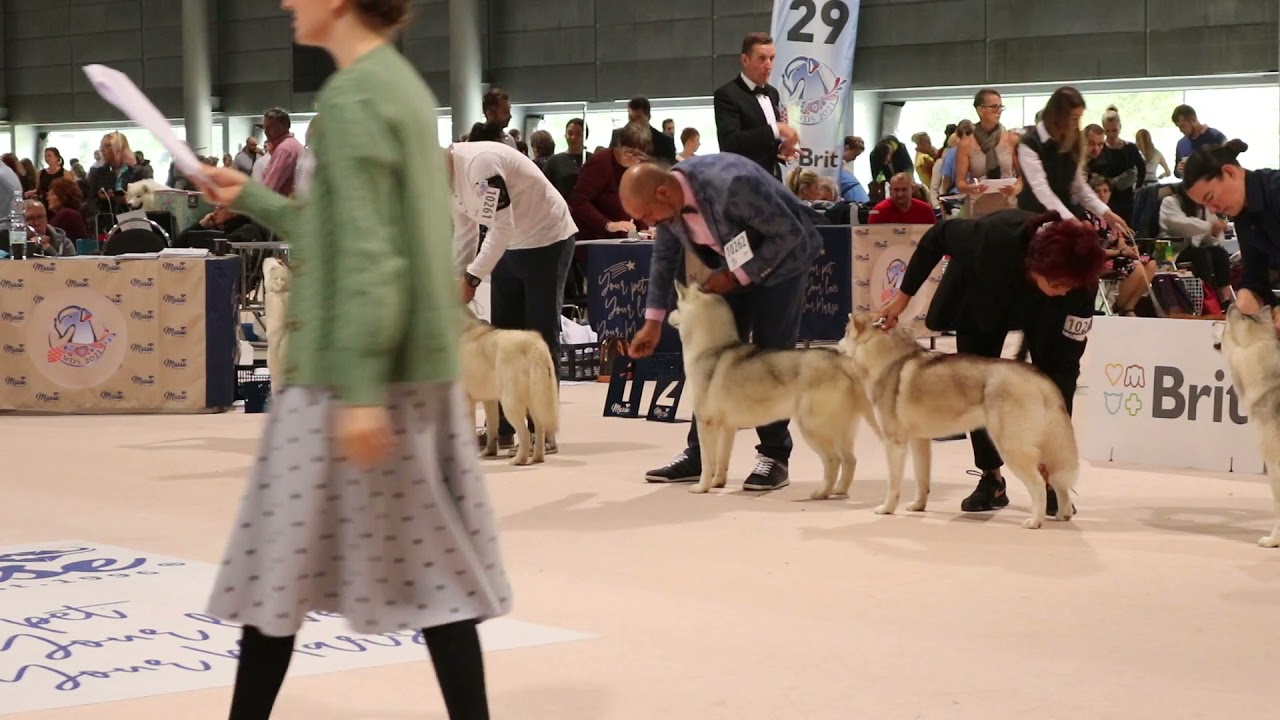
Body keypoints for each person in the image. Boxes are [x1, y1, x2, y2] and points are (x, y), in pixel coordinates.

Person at [192, 2, 510, 718]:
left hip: (350, 372)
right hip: (401, 367)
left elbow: (370, 257)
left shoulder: (353, 96)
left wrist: (362, 391)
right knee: (431, 574)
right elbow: (346, 228)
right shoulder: (393, 85)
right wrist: (250, 197)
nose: (285, 3)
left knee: (280, 572)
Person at [879, 209, 1108, 515]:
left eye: (1071, 286)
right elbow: (936, 236)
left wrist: (1049, 449)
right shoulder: (991, 239)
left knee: (1055, 379)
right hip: (982, 296)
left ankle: (1051, 481)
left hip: (1044, 313)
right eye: (1058, 284)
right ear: (1037, 266)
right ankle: (991, 478)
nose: (1064, 290)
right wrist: (903, 297)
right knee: (975, 385)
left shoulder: (1078, 286)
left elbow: (1065, 369)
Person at [620, 155, 822, 491]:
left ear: (663, 193)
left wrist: (737, 275)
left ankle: (774, 454)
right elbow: (664, 260)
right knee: (713, 358)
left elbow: (789, 234)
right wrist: (653, 321)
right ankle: (702, 453)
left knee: (771, 355)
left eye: (646, 215)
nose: (646, 223)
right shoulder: (667, 210)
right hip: (735, 265)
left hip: (785, 261)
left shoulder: (732, 185)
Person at [449, 139, 577, 451]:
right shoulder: (444, 182)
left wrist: (473, 277)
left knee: (539, 335)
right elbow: (466, 230)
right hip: (509, 244)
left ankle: (543, 429)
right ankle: (505, 428)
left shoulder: (481, 165)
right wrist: (458, 275)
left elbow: (500, 227)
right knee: (503, 337)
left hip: (547, 238)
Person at [1183, 139, 1280, 328]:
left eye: (1210, 198)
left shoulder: (1275, 190)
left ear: (1229, 173)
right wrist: (1243, 305)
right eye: (1204, 206)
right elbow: (1255, 277)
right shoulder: (1243, 215)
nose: (1212, 210)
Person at [1017, 86, 1133, 236]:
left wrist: (1106, 212)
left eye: (1079, 118)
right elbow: (1043, 192)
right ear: (1058, 116)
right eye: (1074, 118)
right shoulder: (1029, 143)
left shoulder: (1073, 140)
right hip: (1036, 222)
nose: (1076, 123)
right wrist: (1073, 222)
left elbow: (1079, 187)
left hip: (1067, 219)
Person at [713, 32, 799, 180]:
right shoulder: (727, 95)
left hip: (773, 180)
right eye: (762, 59)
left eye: (772, 58)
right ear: (745, 60)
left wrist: (780, 149)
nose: (769, 65)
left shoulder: (772, 93)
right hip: (743, 182)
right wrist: (776, 129)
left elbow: (766, 140)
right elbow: (730, 142)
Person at [1160, 183, 1234, 308]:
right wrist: (1209, 228)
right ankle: (1205, 297)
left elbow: (1215, 237)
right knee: (1201, 255)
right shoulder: (1170, 202)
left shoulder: (1203, 208)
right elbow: (1181, 224)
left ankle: (1224, 298)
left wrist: (1215, 234)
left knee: (1220, 253)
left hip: (1194, 249)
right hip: (1169, 250)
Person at [869, 173, 937, 225]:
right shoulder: (879, 212)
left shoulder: (925, 210)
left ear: (912, 189)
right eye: (896, 190)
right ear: (890, 190)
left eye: (904, 190)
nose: (900, 194)